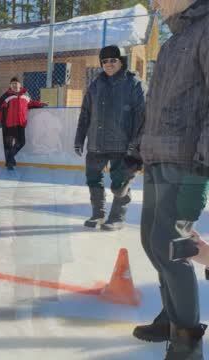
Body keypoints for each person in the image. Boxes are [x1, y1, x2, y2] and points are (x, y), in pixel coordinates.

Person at [132, 0, 209, 357]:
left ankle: (187, 339)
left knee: (172, 245)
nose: (155, 3)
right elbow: (157, 104)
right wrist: (137, 149)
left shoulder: (206, 30)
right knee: (152, 240)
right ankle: (171, 316)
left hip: (185, 160)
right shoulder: (173, 41)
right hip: (158, 155)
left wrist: (202, 170)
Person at [73, 45, 145, 231]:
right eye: (104, 61)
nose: (109, 64)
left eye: (113, 60)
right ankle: (98, 213)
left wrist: (135, 145)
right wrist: (79, 138)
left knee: (119, 183)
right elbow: (86, 113)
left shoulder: (134, 83)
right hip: (97, 142)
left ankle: (117, 218)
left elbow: (142, 117)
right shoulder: (96, 84)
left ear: (122, 61)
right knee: (93, 179)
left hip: (122, 144)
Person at [0, 76, 47, 170]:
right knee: (8, 145)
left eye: (16, 83)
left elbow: (30, 103)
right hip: (8, 124)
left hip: (21, 123)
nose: (14, 85)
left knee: (22, 142)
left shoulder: (25, 95)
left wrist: (40, 104)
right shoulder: (6, 95)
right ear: (10, 85)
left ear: (20, 84)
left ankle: (10, 159)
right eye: (12, 83)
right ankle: (10, 164)